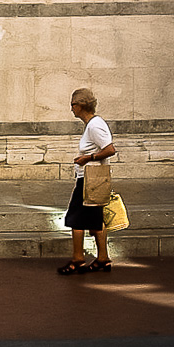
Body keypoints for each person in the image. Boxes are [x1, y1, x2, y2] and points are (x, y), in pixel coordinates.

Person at [57, 88, 116, 274]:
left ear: (81, 105)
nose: (71, 109)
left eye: (73, 104)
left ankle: (77, 259)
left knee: (75, 219)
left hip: (89, 180)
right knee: (95, 219)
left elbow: (110, 149)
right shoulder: (93, 124)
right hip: (92, 179)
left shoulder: (94, 125)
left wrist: (87, 158)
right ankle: (103, 258)